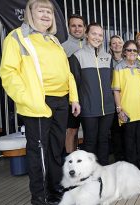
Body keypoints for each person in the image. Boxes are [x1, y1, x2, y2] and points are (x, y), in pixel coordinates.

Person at [0, 0, 80, 204]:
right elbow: (8, 74)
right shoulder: (16, 38)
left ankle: (54, 191)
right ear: (29, 14)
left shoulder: (53, 41)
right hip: (38, 104)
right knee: (39, 152)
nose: (46, 15)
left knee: (54, 149)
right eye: (40, 11)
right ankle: (40, 197)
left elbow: (67, 73)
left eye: (49, 12)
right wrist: (31, 101)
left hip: (61, 103)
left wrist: (74, 98)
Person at [69, 23, 114, 166]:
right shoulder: (77, 56)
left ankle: (104, 170)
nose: (97, 37)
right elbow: (73, 83)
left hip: (107, 108)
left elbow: (111, 82)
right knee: (90, 141)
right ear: (87, 35)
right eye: (94, 34)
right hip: (88, 108)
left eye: (100, 35)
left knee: (104, 140)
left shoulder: (108, 57)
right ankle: (88, 173)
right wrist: (75, 102)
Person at [113, 40, 140, 173]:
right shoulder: (118, 68)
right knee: (129, 140)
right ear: (124, 52)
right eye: (129, 50)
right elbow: (116, 90)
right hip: (127, 110)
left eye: (135, 50)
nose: (132, 53)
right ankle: (132, 166)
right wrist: (119, 110)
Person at [62, 14, 86, 155]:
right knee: (72, 130)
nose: (77, 29)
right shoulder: (63, 48)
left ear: (84, 28)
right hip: (72, 96)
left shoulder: (91, 46)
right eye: (73, 25)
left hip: (88, 94)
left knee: (88, 130)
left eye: (80, 25)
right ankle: (70, 162)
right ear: (69, 28)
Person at [108, 35, 125, 161]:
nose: (117, 45)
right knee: (116, 130)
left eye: (119, 43)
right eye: (114, 43)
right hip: (113, 99)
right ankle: (119, 156)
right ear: (110, 46)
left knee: (127, 129)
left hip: (127, 97)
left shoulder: (129, 59)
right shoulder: (107, 60)